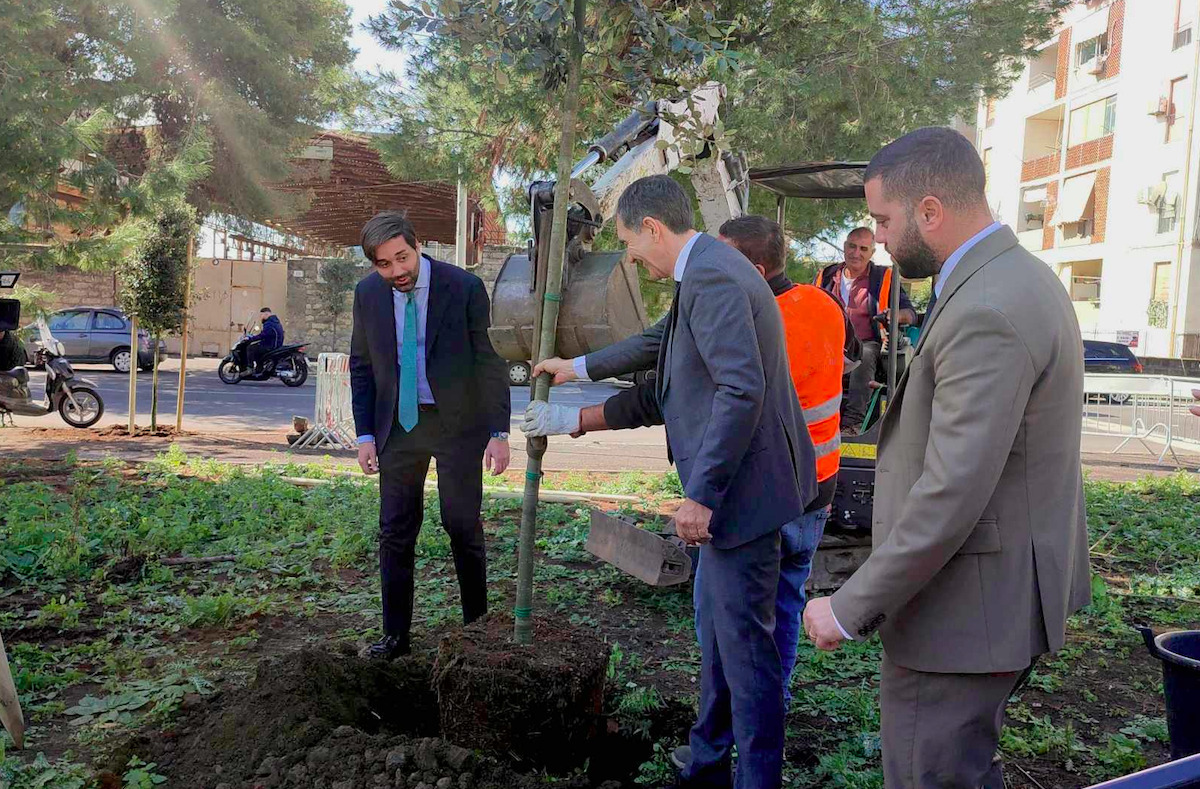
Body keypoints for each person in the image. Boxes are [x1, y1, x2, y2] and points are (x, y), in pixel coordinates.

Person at [803, 127, 1091, 789]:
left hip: (964, 611)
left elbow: (953, 490)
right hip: (996, 596)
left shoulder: (986, 305)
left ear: (929, 211)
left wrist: (849, 605)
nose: (876, 235)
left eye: (883, 219)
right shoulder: (1011, 277)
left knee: (931, 774)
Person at [526, 176, 817, 789]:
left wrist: (701, 495)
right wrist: (576, 368)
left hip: (740, 502)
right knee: (719, 644)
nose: (630, 255)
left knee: (747, 657)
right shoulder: (706, 269)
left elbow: (741, 389)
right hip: (740, 500)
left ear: (654, 228)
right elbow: (659, 345)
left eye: (630, 242)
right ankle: (708, 765)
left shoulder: (711, 274)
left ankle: (756, 780)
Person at [349, 211, 512, 661]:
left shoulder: (463, 288)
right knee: (395, 532)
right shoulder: (367, 295)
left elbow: (490, 362)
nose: (397, 271)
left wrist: (499, 431)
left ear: (418, 245)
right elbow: (361, 366)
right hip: (398, 427)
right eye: (384, 264)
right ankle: (396, 637)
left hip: (457, 425)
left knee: (462, 526)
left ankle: (476, 632)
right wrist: (365, 434)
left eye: (402, 257)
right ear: (374, 266)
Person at [816, 227, 916, 432]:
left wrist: (894, 315)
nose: (856, 253)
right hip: (828, 343)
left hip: (867, 343)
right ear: (844, 247)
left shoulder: (884, 276)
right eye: (852, 246)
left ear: (871, 253)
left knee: (865, 353)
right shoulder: (826, 276)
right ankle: (806, 418)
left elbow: (911, 314)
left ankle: (853, 423)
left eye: (863, 248)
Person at [245, 307, 285, 373]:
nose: (261, 317)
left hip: (271, 346)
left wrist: (251, 339)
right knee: (257, 348)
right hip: (275, 344)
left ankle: (250, 368)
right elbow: (267, 335)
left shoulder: (269, 323)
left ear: (266, 314)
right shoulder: (275, 321)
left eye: (261, 315)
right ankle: (259, 367)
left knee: (250, 348)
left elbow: (263, 335)